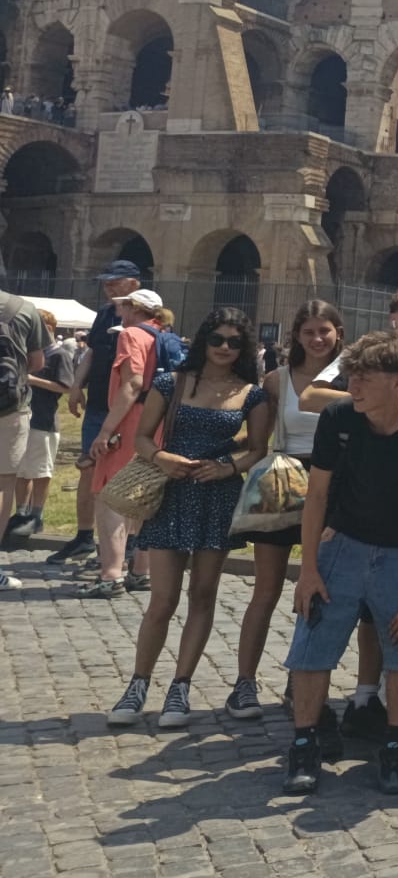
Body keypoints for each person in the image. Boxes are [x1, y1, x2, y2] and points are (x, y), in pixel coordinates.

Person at [279, 333, 398, 794]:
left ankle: (395, 744)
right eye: (351, 377)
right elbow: (316, 496)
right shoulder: (339, 418)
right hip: (344, 542)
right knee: (312, 641)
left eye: (364, 378)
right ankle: (304, 742)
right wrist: (308, 569)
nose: (352, 386)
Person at [105, 308, 274, 729]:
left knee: (202, 594)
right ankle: (138, 683)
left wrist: (229, 468)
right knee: (162, 599)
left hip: (217, 496)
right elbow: (142, 437)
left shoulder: (251, 394)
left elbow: (258, 447)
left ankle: (180, 686)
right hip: (173, 492)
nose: (224, 347)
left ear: (244, 348)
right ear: (203, 340)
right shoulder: (172, 382)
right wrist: (163, 457)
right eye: (217, 339)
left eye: (234, 341)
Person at [226, 300, 345, 725]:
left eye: (324, 331)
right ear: (296, 335)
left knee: (318, 588)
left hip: (333, 485)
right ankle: (244, 681)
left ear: (338, 334)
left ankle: (302, 678)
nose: (317, 339)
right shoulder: (278, 379)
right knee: (266, 588)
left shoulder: (350, 377)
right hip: (285, 479)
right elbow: (259, 437)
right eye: (308, 331)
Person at [47, 259, 145, 566]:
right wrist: (77, 384)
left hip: (129, 407)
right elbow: (92, 351)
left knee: (127, 474)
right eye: (106, 282)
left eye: (115, 282)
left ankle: (127, 542)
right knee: (88, 468)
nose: (108, 287)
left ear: (134, 284)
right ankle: (84, 536)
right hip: (98, 403)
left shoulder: (146, 313)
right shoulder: (104, 314)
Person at [79, 290, 166, 596]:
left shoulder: (130, 334)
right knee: (144, 494)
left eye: (123, 305)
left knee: (109, 494)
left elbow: (133, 383)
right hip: (159, 421)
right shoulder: (163, 335)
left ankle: (111, 574)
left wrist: (106, 430)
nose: (119, 311)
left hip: (131, 420)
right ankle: (142, 571)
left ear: (134, 308)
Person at [1, 303, 56, 548]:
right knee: (8, 479)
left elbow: (64, 384)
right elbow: (36, 362)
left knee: (30, 472)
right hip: (11, 406)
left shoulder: (58, 353)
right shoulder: (22, 308)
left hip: (33, 416)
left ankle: (32, 515)